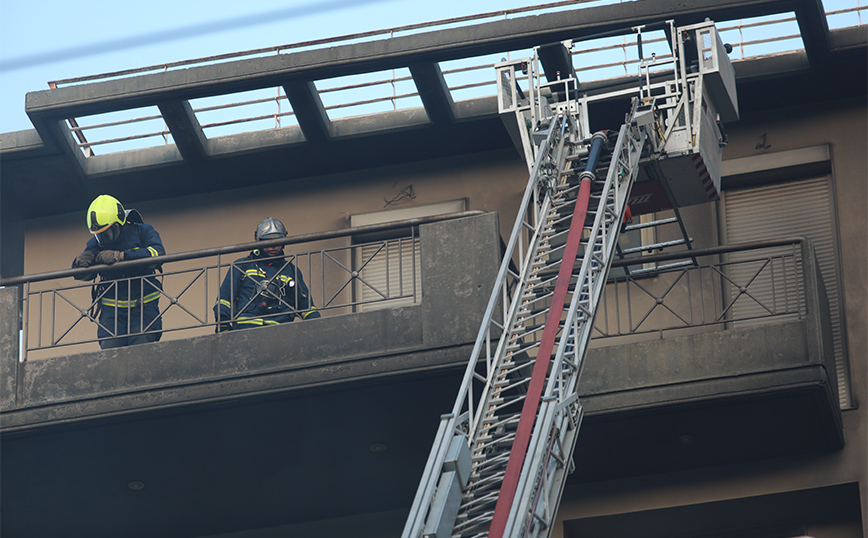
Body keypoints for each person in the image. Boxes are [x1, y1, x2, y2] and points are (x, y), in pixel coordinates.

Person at [71, 194, 165, 349]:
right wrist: (81, 263)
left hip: (143, 306)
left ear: (119, 223)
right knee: (110, 352)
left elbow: (158, 254)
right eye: (99, 235)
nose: (104, 239)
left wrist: (122, 256)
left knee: (140, 348)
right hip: (111, 311)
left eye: (106, 233)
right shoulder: (97, 243)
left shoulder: (143, 231)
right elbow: (81, 275)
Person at [214, 217, 320, 331]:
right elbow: (225, 298)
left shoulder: (291, 270)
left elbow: (305, 305)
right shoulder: (241, 266)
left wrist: (319, 327)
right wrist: (223, 325)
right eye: (268, 242)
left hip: (281, 332)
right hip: (246, 329)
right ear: (259, 242)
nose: (273, 246)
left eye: (278, 242)